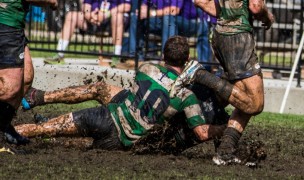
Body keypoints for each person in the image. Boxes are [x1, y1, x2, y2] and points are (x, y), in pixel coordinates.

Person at [15, 36, 226, 152]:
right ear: (187, 59)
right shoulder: (186, 96)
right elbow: (200, 132)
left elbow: (137, 93)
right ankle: (45, 116)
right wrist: (228, 128)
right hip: (122, 141)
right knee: (81, 142)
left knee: (41, 129)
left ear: (163, 55)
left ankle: (11, 131)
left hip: (106, 117)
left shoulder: (146, 68)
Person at [186, 0, 275, 165]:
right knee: (255, 103)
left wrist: (227, 16)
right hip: (238, 38)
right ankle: (199, 75)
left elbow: (201, 1)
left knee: (239, 93)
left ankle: (225, 150)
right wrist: (267, 16)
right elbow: (255, 6)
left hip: (220, 35)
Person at [0, 0, 58, 154]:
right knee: (9, 88)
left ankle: (3, 128)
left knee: (26, 77)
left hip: (12, 22)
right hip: (4, 21)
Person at [44, 0, 131, 66]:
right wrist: (90, 16)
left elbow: (127, 6)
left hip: (111, 21)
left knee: (118, 17)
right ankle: (59, 54)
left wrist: (106, 15)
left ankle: (117, 55)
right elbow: (85, 7)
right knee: (71, 16)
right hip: (92, 21)